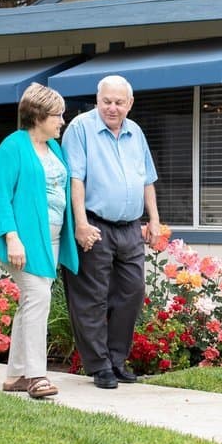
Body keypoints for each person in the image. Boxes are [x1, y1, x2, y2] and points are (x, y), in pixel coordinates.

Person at [61, 75, 162, 389]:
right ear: (97, 99)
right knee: (91, 298)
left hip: (131, 227)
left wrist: (154, 219)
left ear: (130, 104)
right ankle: (99, 366)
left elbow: (147, 179)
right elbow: (74, 180)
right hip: (95, 223)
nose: (113, 108)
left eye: (119, 102)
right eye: (107, 101)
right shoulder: (80, 129)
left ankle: (117, 361)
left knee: (132, 293)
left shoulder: (136, 131)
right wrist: (80, 223)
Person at [0, 83, 79, 399]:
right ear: (38, 116)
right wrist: (12, 239)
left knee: (32, 303)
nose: (62, 121)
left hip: (51, 239)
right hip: (23, 241)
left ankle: (15, 377)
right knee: (38, 298)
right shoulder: (12, 147)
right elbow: (1, 198)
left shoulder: (55, 148)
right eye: (57, 115)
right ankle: (37, 376)